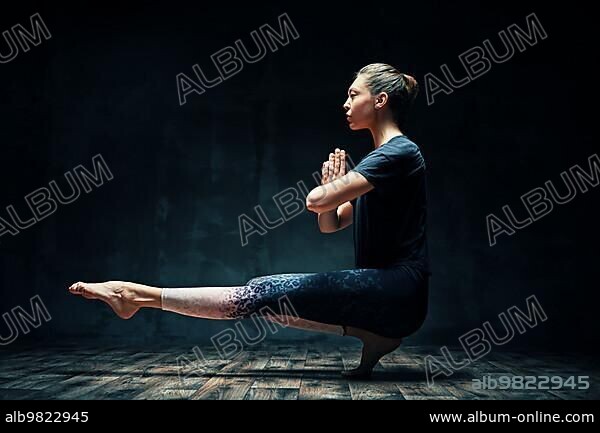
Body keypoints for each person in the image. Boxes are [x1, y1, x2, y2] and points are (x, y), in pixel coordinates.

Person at [69, 63, 431, 379]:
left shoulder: (399, 152)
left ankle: (133, 295)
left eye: (354, 95)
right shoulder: (382, 162)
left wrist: (330, 189)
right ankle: (376, 335)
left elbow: (314, 202)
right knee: (271, 306)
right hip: (384, 296)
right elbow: (330, 223)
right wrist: (332, 191)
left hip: (397, 289)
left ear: (380, 100)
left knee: (261, 293)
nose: (346, 104)